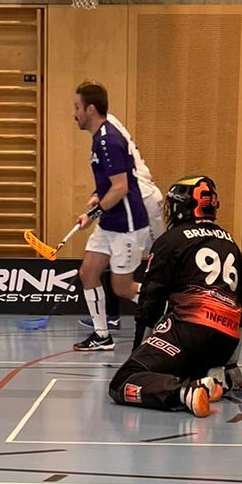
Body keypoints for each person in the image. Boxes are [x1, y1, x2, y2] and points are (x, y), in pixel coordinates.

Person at [108, 177, 242, 418]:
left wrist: (138, 353)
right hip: (225, 343)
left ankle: (185, 392)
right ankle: (212, 378)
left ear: (182, 207)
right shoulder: (231, 243)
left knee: (123, 381)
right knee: (176, 366)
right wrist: (231, 363)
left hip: (189, 334)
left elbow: (151, 302)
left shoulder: (170, 241)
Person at [69, 82, 154, 353]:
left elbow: (121, 187)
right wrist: (97, 195)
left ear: (90, 109)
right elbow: (112, 181)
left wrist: (92, 214)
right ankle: (102, 335)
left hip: (126, 226)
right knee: (88, 273)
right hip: (110, 222)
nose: (74, 113)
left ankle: (170, 309)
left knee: (122, 288)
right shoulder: (100, 137)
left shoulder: (108, 141)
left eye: (77, 107)